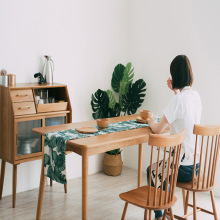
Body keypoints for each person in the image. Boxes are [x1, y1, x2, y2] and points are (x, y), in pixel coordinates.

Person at [147, 55, 202, 220]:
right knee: (164, 174)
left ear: (176, 75)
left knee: (152, 171)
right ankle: (166, 209)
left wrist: (150, 120)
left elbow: (157, 130)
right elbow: (183, 118)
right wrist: (176, 92)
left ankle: (159, 215)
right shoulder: (196, 97)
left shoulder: (178, 100)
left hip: (181, 168)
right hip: (195, 166)